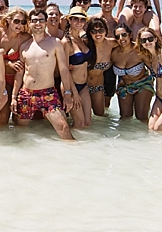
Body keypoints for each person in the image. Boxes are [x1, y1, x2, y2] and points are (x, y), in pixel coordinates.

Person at [11, 9, 75, 138]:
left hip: (48, 94)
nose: (38, 23)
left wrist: (67, 93)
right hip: (26, 94)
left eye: (41, 20)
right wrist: (13, 96)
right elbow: (20, 73)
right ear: (29, 23)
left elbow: (63, 69)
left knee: (64, 128)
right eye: (34, 20)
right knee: (19, 130)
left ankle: (73, 155)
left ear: (46, 22)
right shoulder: (24, 46)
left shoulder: (55, 43)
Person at [111, 27, 156, 122]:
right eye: (117, 36)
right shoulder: (113, 54)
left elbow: (155, 69)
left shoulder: (140, 50)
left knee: (141, 117)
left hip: (143, 84)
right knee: (124, 118)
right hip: (125, 86)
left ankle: (146, 136)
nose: (121, 38)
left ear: (130, 35)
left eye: (124, 35)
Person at [62, 7, 93, 128]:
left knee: (87, 124)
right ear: (69, 20)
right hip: (71, 86)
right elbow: (64, 69)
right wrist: (73, 93)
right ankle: (69, 146)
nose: (79, 22)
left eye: (82, 20)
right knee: (79, 124)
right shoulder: (65, 42)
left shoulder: (82, 39)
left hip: (84, 85)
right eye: (76, 19)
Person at [85, 16, 116, 116]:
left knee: (100, 117)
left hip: (98, 87)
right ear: (89, 32)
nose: (98, 34)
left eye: (101, 30)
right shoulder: (84, 44)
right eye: (94, 31)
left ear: (106, 31)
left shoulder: (111, 43)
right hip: (83, 87)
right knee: (85, 118)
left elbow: (131, 46)